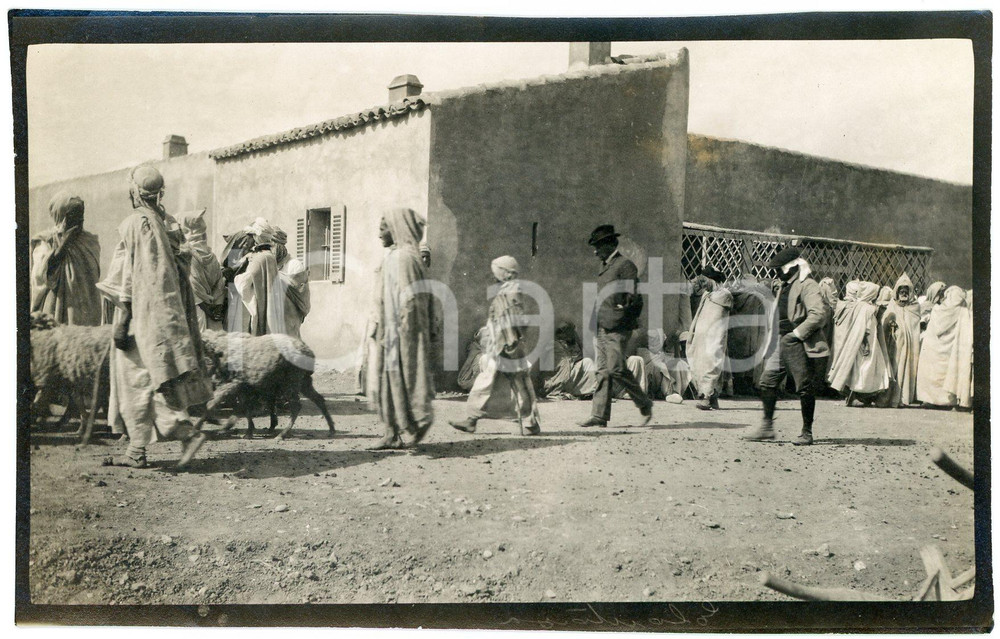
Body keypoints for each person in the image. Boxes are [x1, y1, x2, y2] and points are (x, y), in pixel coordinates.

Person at [96, 165, 211, 468]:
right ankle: (139, 449)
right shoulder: (164, 221)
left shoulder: (139, 223)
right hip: (156, 314)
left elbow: (141, 275)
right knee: (151, 379)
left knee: (140, 380)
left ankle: (181, 435)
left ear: (135, 191)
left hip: (141, 317)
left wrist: (123, 319)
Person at [742, 246, 829, 446]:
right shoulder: (783, 285)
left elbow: (818, 314)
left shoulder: (808, 286)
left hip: (798, 341)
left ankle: (807, 432)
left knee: (803, 386)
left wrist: (796, 334)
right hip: (780, 340)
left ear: (792, 267)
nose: (777, 272)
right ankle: (766, 427)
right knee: (767, 381)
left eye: (780, 268)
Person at [368, 208, 436, 449]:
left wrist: (399, 332)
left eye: (383, 227)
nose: (379, 234)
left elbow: (409, 299)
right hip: (390, 329)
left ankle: (416, 424)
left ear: (396, 228)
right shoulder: (399, 256)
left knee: (404, 377)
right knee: (387, 379)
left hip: (401, 331)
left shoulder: (403, 259)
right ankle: (391, 433)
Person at [450, 256, 541, 435]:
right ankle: (473, 419)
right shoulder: (506, 289)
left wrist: (509, 342)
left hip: (508, 345)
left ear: (506, 272)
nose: (494, 275)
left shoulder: (513, 290)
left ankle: (530, 423)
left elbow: (514, 318)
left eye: (497, 271)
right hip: (500, 343)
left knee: (516, 383)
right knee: (497, 380)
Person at [577, 225, 653, 428]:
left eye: (598, 247)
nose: (595, 252)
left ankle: (644, 403)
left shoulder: (625, 266)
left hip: (618, 327)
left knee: (616, 368)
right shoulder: (605, 266)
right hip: (602, 326)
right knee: (602, 370)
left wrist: (622, 317)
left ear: (609, 245)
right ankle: (599, 416)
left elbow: (635, 299)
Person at [30, 192, 102, 326]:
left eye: (82, 215)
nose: (80, 220)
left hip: (87, 308)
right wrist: (66, 241)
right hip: (59, 305)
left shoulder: (89, 241)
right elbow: (43, 273)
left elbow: (94, 275)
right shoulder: (47, 240)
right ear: (62, 216)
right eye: (74, 215)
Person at [827, 281, 892, 406]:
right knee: (865, 369)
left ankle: (861, 396)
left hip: (866, 343)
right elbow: (865, 328)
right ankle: (858, 395)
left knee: (861, 369)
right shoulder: (866, 308)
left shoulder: (860, 306)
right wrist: (866, 344)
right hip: (867, 343)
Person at [917, 286, 972, 409]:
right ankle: (944, 400)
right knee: (944, 372)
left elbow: (937, 326)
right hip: (946, 347)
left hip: (937, 346)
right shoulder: (961, 308)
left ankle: (933, 399)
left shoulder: (941, 308)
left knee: (934, 371)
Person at [686, 266, 732, 410]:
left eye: (706, 280)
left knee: (712, 362)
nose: (703, 284)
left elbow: (718, 318)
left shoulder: (724, 295)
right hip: (701, 337)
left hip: (714, 336)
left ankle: (706, 398)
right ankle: (712, 398)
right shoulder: (707, 294)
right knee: (701, 363)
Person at [179, 209, 227, 331]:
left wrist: (207, 308)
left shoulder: (187, 255)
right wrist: (217, 306)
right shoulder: (211, 255)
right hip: (212, 310)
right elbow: (219, 283)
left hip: (196, 310)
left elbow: (193, 285)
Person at [881, 273, 921, 407]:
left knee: (907, 369)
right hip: (894, 345)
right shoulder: (892, 306)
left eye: (906, 291)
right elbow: (885, 321)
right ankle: (890, 398)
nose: (903, 293)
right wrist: (891, 325)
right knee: (894, 368)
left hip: (909, 348)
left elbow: (914, 328)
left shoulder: (914, 307)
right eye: (901, 291)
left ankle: (903, 398)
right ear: (897, 292)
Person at [542, 321, 599, 398]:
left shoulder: (572, 344)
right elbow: (563, 363)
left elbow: (578, 357)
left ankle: (590, 391)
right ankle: (560, 391)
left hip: (569, 372)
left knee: (588, 362)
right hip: (556, 378)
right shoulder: (554, 345)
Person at [272, 227, 311, 339]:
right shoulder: (268, 265)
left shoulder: (294, 265)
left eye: (272, 246)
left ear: (279, 246)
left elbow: (301, 299)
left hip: (289, 322)